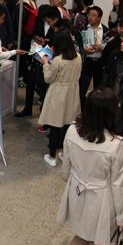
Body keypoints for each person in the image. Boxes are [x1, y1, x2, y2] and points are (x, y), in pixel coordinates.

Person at [52, 88, 123, 245]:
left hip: (77, 190)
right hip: (101, 198)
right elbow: (119, 184)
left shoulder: (72, 131)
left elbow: (66, 164)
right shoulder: (115, 144)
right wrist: (121, 216)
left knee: (80, 236)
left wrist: (69, 181)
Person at [38, 31, 82, 167]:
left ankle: (52, 156)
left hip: (58, 93)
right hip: (73, 93)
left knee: (55, 125)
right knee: (68, 124)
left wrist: (46, 63)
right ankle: (64, 153)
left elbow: (48, 78)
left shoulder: (58, 60)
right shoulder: (78, 56)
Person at [78, 5, 107, 105]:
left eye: (93, 15)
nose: (90, 17)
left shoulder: (105, 30)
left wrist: (101, 47)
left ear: (99, 18)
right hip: (88, 61)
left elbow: (109, 47)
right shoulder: (84, 29)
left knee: (98, 89)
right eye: (89, 15)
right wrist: (84, 50)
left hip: (100, 62)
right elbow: (78, 45)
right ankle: (81, 108)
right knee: (82, 87)